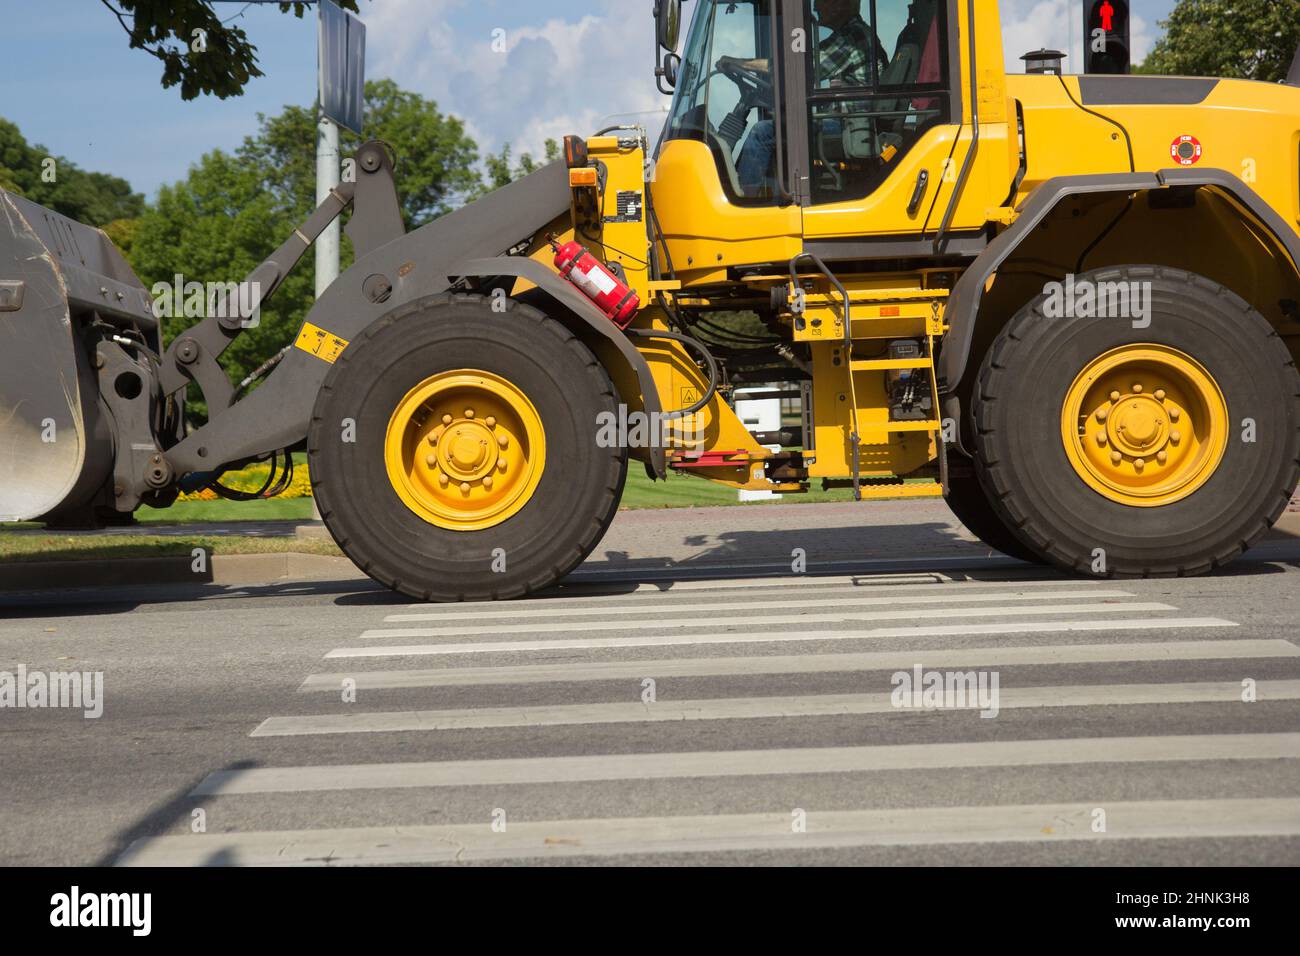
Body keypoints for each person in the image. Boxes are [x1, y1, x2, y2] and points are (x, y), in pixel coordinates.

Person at [734, 0, 888, 192]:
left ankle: (744, 203)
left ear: (840, 4)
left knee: (762, 133)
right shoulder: (850, 33)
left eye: (820, 1)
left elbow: (800, 67)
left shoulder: (853, 36)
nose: (815, 7)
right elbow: (805, 59)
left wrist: (742, 63)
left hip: (850, 126)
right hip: (848, 123)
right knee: (777, 125)